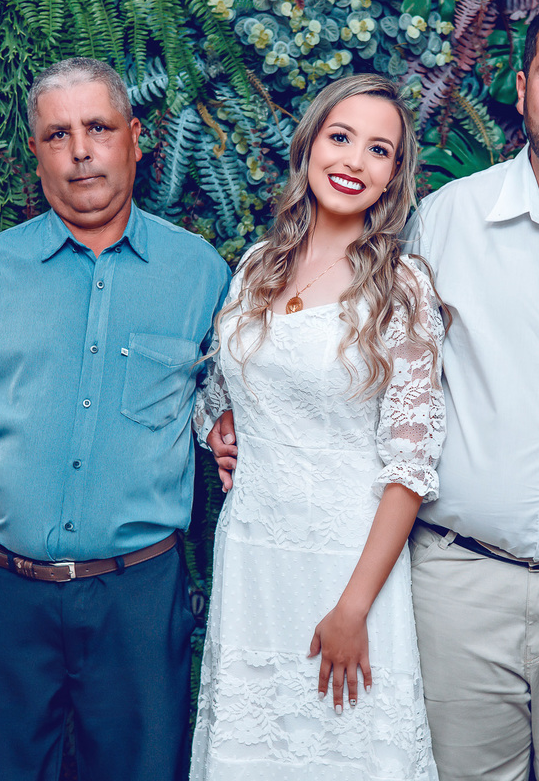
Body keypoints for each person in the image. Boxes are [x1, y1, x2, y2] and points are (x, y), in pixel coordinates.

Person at [0, 57, 230, 780]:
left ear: (135, 138)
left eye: (98, 128)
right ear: (36, 151)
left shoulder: (202, 275)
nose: (80, 150)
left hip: (140, 595)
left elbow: (229, 406)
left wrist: (224, 432)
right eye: (57, 134)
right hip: (2, 592)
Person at [189, 73, 444, 780]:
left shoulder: (402, 287)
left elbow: (411, 469)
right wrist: (220, 427)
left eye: (379, 150)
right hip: (253, 560)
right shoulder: (256, 268)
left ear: (394, 175)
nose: (354, 161)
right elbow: (223, 389)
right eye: (341, 137)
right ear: (309, 147)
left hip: (346, 565)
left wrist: (353, 609)